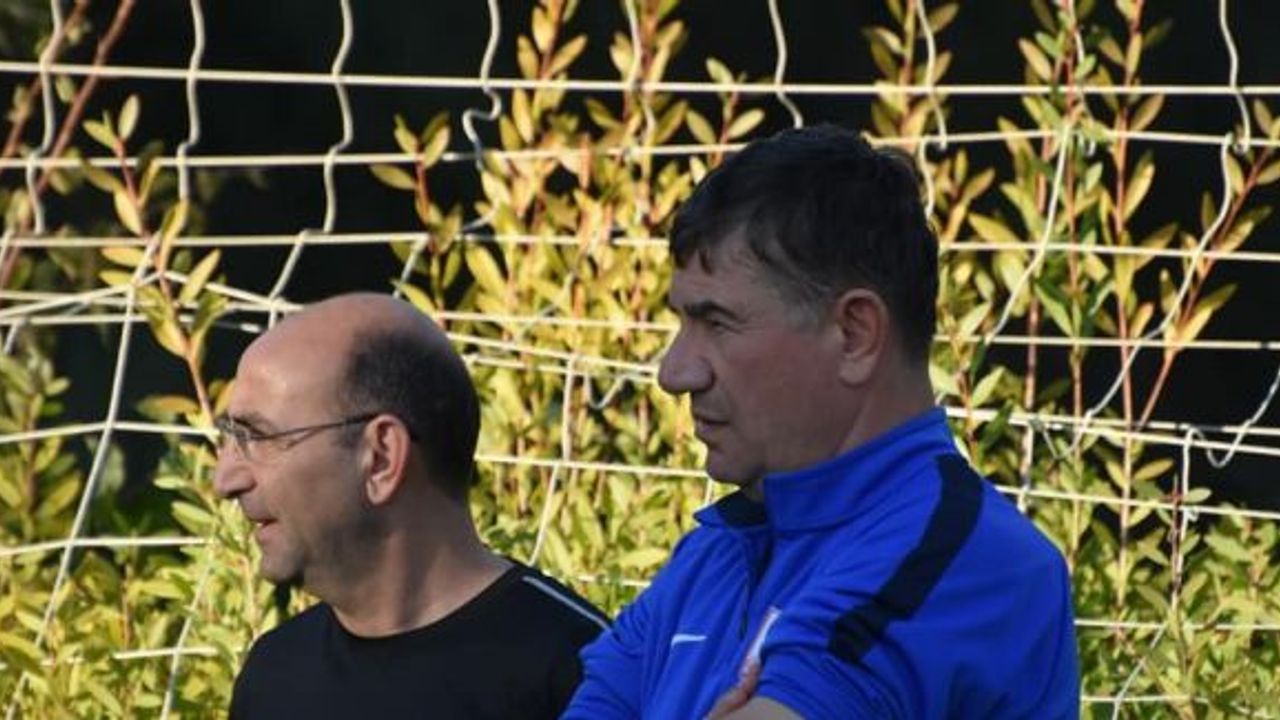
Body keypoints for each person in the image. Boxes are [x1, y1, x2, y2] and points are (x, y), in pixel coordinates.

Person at [564, 126, 1079, 719]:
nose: (674, 373)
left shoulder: (970, 564)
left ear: (855, 334)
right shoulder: (714, 554)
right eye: (683, 323)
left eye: (717, 323)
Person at [213, 293, 608, 719]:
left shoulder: (585, 676)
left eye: (259, 437)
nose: (225, 481)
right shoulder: (275, 675)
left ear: (381, 457)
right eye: (230, 437)